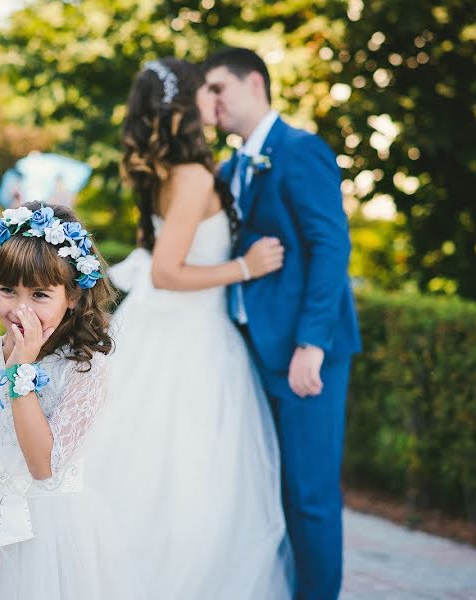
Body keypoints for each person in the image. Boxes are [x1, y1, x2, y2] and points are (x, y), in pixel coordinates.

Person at [86, 57, 291, 598]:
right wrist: (247, 267)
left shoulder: (167, 172)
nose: (214, 101)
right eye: (206, 92)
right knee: (193, 474)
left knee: (165, 469)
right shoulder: (195, 175)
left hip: (172, 330)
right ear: (185, 104)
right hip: (190, 340)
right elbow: (166, 269)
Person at [203, 47, 361, 600]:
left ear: (253, 84)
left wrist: (312, 344)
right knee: (265, 488)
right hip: (250, 349)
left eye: (219, 88)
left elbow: (330, 245)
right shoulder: (230, 167)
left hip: (302, 353)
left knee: (308, 495)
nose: (212, 101)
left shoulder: (300, 150)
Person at [0, 202, 137, 598]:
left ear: (71, 296)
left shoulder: (85, 368)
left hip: (51, 533)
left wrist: (22, 368)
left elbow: (43, 465)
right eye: (8, 291)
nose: (20, 309)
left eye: (39, 294)